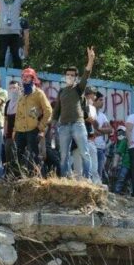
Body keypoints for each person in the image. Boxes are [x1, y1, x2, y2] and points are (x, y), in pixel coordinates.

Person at [52, 47, 96, 178]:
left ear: (76, 77)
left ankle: (87, 179)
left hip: (78, 124)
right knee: (64, 155)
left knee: (85, 152)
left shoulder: (79, 88)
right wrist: (53, 124)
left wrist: (91, 59)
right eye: (68, 75)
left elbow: (86, 74)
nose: (70, 77)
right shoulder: (61, 92)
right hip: (63, 126)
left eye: (72, 75)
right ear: (64, 76)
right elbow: (57, 110)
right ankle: (65, 179)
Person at [13, 68, 52, 176]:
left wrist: (41, 126)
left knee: (34, 156)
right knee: (17, 156)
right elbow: (18, 114)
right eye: (23, 76)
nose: (24, 78)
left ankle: (37, 179)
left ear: (33, 78)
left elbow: (48, 110)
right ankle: (18, 179)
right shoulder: (21, 95)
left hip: (33, 129)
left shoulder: (39, 93)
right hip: (20, 130)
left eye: (27, 76)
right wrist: (14, 130)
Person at [93, 91, 113, 184]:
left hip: (101, 148)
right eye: (100, 100)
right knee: (91, 172)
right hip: (91, 146)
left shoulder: (102, 115)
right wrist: (101, 130)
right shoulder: (89, 114)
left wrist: (99, 130)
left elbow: (110, 130)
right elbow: (92, 131)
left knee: (99, 174)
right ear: (94, 101)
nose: (102, 102)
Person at [4, 80, 21, 173]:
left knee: (17, 157)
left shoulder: (22, 101)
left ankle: (18, 176)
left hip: (19, 134)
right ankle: (9, 176)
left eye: (14, 87)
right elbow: (6, 118)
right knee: (8, 157)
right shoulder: (8, 103)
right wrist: (5, 132)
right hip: (8, 135)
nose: (12, 90)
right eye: (10, 88)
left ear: (19, 88)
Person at [112, 126, 131, 194]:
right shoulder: (121, 142)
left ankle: (127, 193)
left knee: (128, 181)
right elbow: (117, 154)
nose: (120, 134)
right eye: (119, 132)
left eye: (122, 132)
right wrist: (114, 165)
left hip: (132, 164)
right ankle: (117, 193)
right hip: (125, 164)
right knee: (121, 179)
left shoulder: (127, 140)